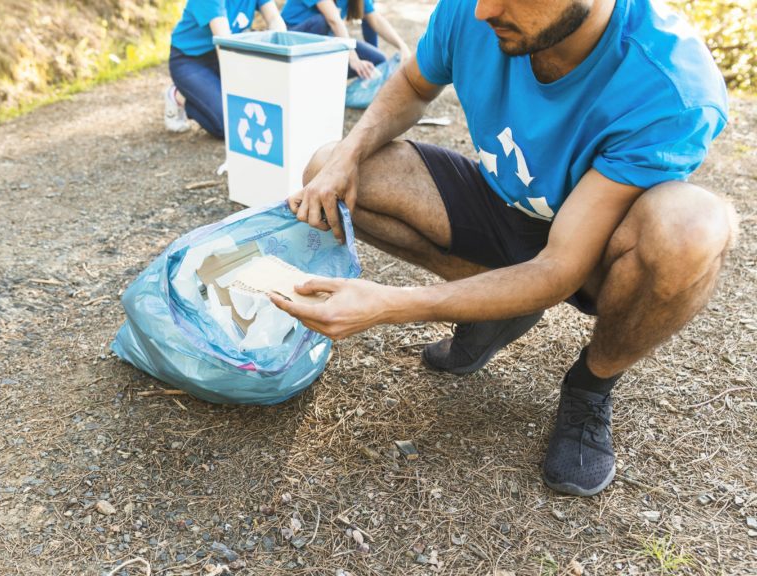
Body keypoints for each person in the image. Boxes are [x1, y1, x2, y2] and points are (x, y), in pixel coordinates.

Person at [270, 0, 735, 497]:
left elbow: (559, 267)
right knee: (327, 171)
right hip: (506, 202)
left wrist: (391, 304)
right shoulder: (474, 9)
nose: (483, 11)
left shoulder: (669, 85)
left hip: (595, 247)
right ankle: (497, 309)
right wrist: (347, 154)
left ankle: (591, 385)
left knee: (691, 229)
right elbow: (411, 85)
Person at [165, 0, 286, 137]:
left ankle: (203, 93)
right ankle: (178, 96)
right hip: (190, 59)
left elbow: (274, 18)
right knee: (230, 127)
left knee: (260, 110)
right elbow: (224, 43)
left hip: (226, 54)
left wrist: (282, 54)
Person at [281, 0, 411, 79]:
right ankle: (308, 78)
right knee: (321, 22)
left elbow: (375, 20)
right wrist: (353, 58)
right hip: (291, 40)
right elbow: (334, 21)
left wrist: (402, 46)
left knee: (377, 59)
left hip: (325, 38)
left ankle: (327, 80)